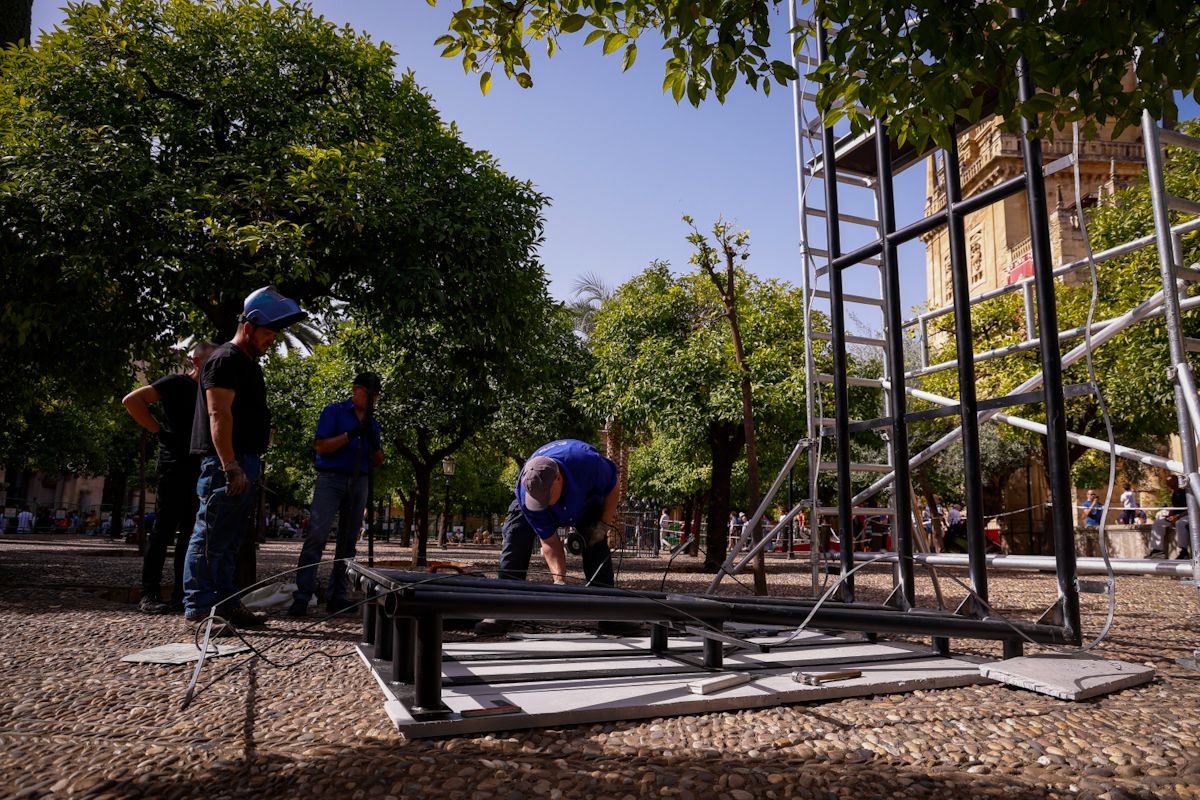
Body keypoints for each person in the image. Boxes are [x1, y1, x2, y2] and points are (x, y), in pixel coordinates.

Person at [183, 286, 306, 635]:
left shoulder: (246, 363)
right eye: (268, 333)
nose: (271, 341)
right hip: (226, 465)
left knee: (228, 541)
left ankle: (226, 605)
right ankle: (199, 610)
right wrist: (231, 465)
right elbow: (218, 414)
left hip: (243, 462)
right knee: (209, 538)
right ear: (249, 327)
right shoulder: (225, 360)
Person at [475, 439, 637, 636]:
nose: (543, 504)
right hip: (536, 501)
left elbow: (613, 485)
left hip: (584, 499)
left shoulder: (588, 463)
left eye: (546, 497)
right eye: (538, 500)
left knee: (596, 543)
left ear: (558, 478)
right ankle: (502, 608)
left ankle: (608, 613)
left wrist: (603, 524)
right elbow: (550, 541)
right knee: (516, 535)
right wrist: (559, 582)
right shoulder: (529, 495)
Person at [123, 341, 216, 614]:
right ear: (196, 360)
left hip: (200, 467)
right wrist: (158, 431)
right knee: (163, 530)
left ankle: (181, 595)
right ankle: (149, 593)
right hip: (174, 465)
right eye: (211, 360)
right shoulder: (176, 383)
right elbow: (132, 400)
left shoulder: (211, 392)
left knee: (190, 534)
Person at [288, 373, 383, 617]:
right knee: (317, 537)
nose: (371, 400)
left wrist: (374, 443)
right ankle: (303, 596)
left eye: (375, 397)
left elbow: (378, 460)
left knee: (348, 542)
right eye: (368, 395)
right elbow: (321, 447)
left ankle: (337, 596)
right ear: (356, 390)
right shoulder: (334, 412)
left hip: (360, 480)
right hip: (331, 479)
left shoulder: (373, 423)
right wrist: (351, 434)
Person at [1148, 476, 1192, 559]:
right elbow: (1175, 507)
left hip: (1188, 515)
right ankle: (1157, 551)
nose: (1170, 487)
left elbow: (1192, 508)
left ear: (1177, 483)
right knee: (1158, 522)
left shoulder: (1187, 492)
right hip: (1177, 515)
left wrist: (1178, 516)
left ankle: (1184, 551)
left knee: (1180, 523)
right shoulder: (1174, 493)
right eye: (1168, 485)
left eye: (1171, 485)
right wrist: (1169, 515)